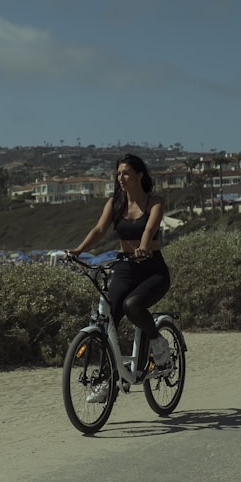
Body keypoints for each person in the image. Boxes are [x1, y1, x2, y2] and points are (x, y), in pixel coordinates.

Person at [67, 154, 172, 400]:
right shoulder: (115, 203)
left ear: (139, 175)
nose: (121, 178)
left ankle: (158, 343)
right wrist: (78, 250)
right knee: (108, 318)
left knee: (132, 305)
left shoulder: (154, 202)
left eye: (126, 173)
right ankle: (107, 380)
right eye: (118, 174)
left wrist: (144, 247)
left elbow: (149, 228)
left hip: (152, 268)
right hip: (125, 267)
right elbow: (99, 230)